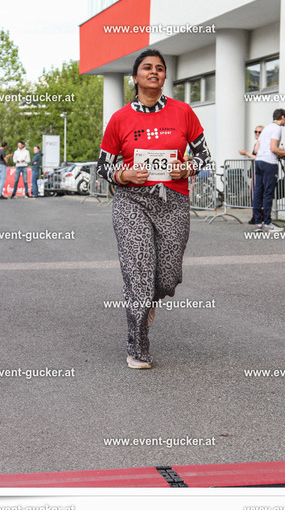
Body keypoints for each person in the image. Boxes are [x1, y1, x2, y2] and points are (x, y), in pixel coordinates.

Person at [97, 49, 211, 369]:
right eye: (146, 67)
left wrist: (186, 168)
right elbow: (103, 167)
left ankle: (148, 299)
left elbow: (205, 157)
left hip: (173, 201)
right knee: (139, 273)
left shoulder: (183, 112)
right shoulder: (120, 118)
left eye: (159, 68)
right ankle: (138, 347)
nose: (154, 72)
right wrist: (124, 175)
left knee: (167, 276)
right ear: (135, 77)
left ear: (164, 76)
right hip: (132, 201)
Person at [252, 109, 285, 232]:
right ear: (282, 117)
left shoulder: (266, 128)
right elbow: (274, 148)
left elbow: (256, 149)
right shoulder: (277, 128)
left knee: (258, 192)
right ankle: (267, 223)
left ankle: (258, 223)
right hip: (269, 162)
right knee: (268, 193)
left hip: (259, 161)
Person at [239, 126, 263, 224]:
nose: (257, 133)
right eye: (255, 131)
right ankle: (255, 215)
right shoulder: (256, 144)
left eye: (259, 132)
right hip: (255, 170)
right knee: (254, 193)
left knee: (258, 194)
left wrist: (246, 153)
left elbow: (257, 157)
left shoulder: (262, 144)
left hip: (260, 170)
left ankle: (259, 215)